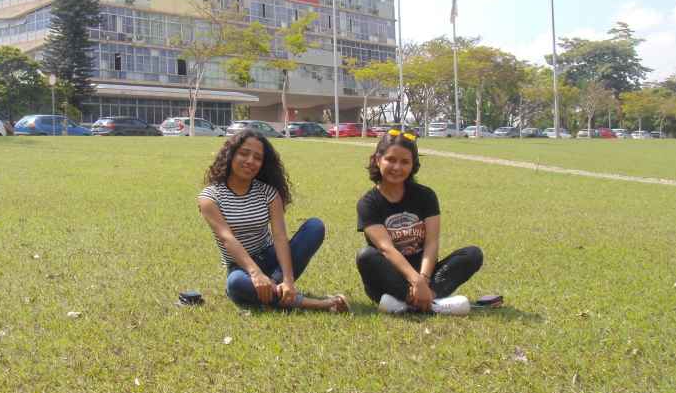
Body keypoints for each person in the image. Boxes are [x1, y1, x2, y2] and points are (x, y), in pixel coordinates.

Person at [198, 129, 348, 312]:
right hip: (241, 267)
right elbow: (227, 238)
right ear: (231, 155)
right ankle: (320, 304)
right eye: (244, 153)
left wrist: (288, 280)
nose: (250, 161)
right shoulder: (210, 197)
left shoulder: (268, 193)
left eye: (257, 158)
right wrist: (255, 273)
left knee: (315, 227)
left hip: (271, 259)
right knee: (236, 284)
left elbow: (279, 236)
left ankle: (274, 289)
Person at [355, 129, 483, 312]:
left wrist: (423, 279)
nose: (397, 167)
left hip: (426, 276)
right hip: (389, 279)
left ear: (413, 164)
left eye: (405, 162)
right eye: (390, 159)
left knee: (472, 254)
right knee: (366, 256)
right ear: (377, 159)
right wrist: (415, 281)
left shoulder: (426, 196)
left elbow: (432, 243)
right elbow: (386, 249)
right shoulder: (368, 203)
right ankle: (431, 304)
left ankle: (414, 303)